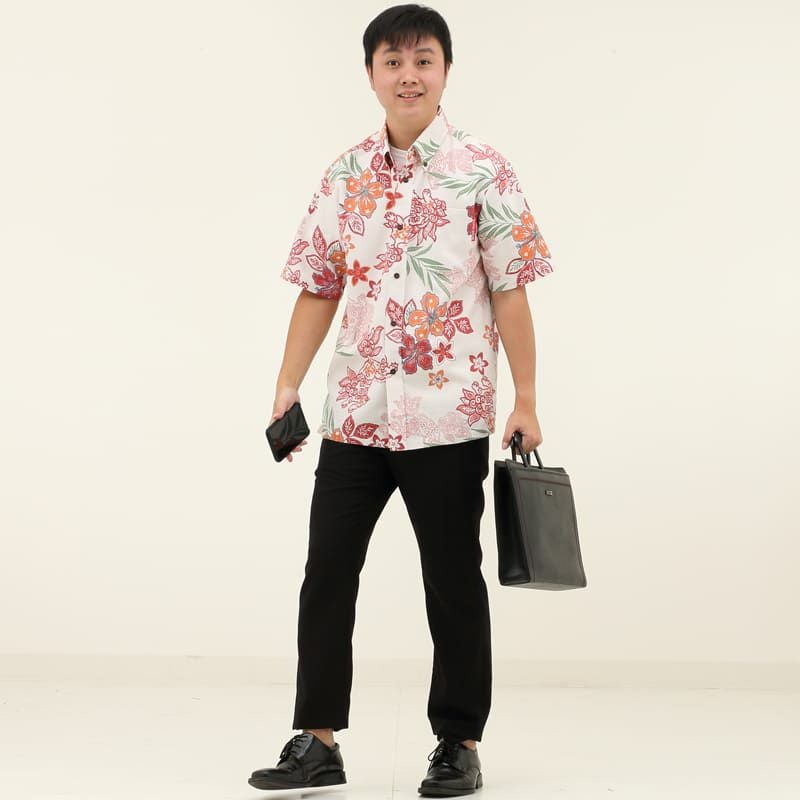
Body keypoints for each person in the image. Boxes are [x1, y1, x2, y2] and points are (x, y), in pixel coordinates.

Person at [248, 4, 554, 796]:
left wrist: (526, 397)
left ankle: (459, 742)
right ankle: (317, 740)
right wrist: (287, 384)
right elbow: (318, 286)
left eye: (423, 60)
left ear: (446, 71)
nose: (408, 75)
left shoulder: (484, 170)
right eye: (393, 61)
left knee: (452, 581)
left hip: (449, 416)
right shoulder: (344, 174)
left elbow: (510, 289)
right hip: (356, 413)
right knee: (327, 572)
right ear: (371, 74)